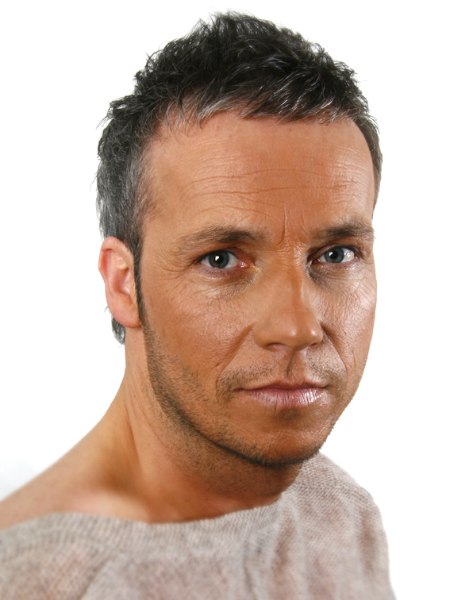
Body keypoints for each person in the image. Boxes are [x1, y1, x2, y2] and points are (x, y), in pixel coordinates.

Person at [0, 12, 395, 599]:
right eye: (221, 259)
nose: (297, 327)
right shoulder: (37, 578)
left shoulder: (342, 514)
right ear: (123, 284)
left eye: (336, 254)